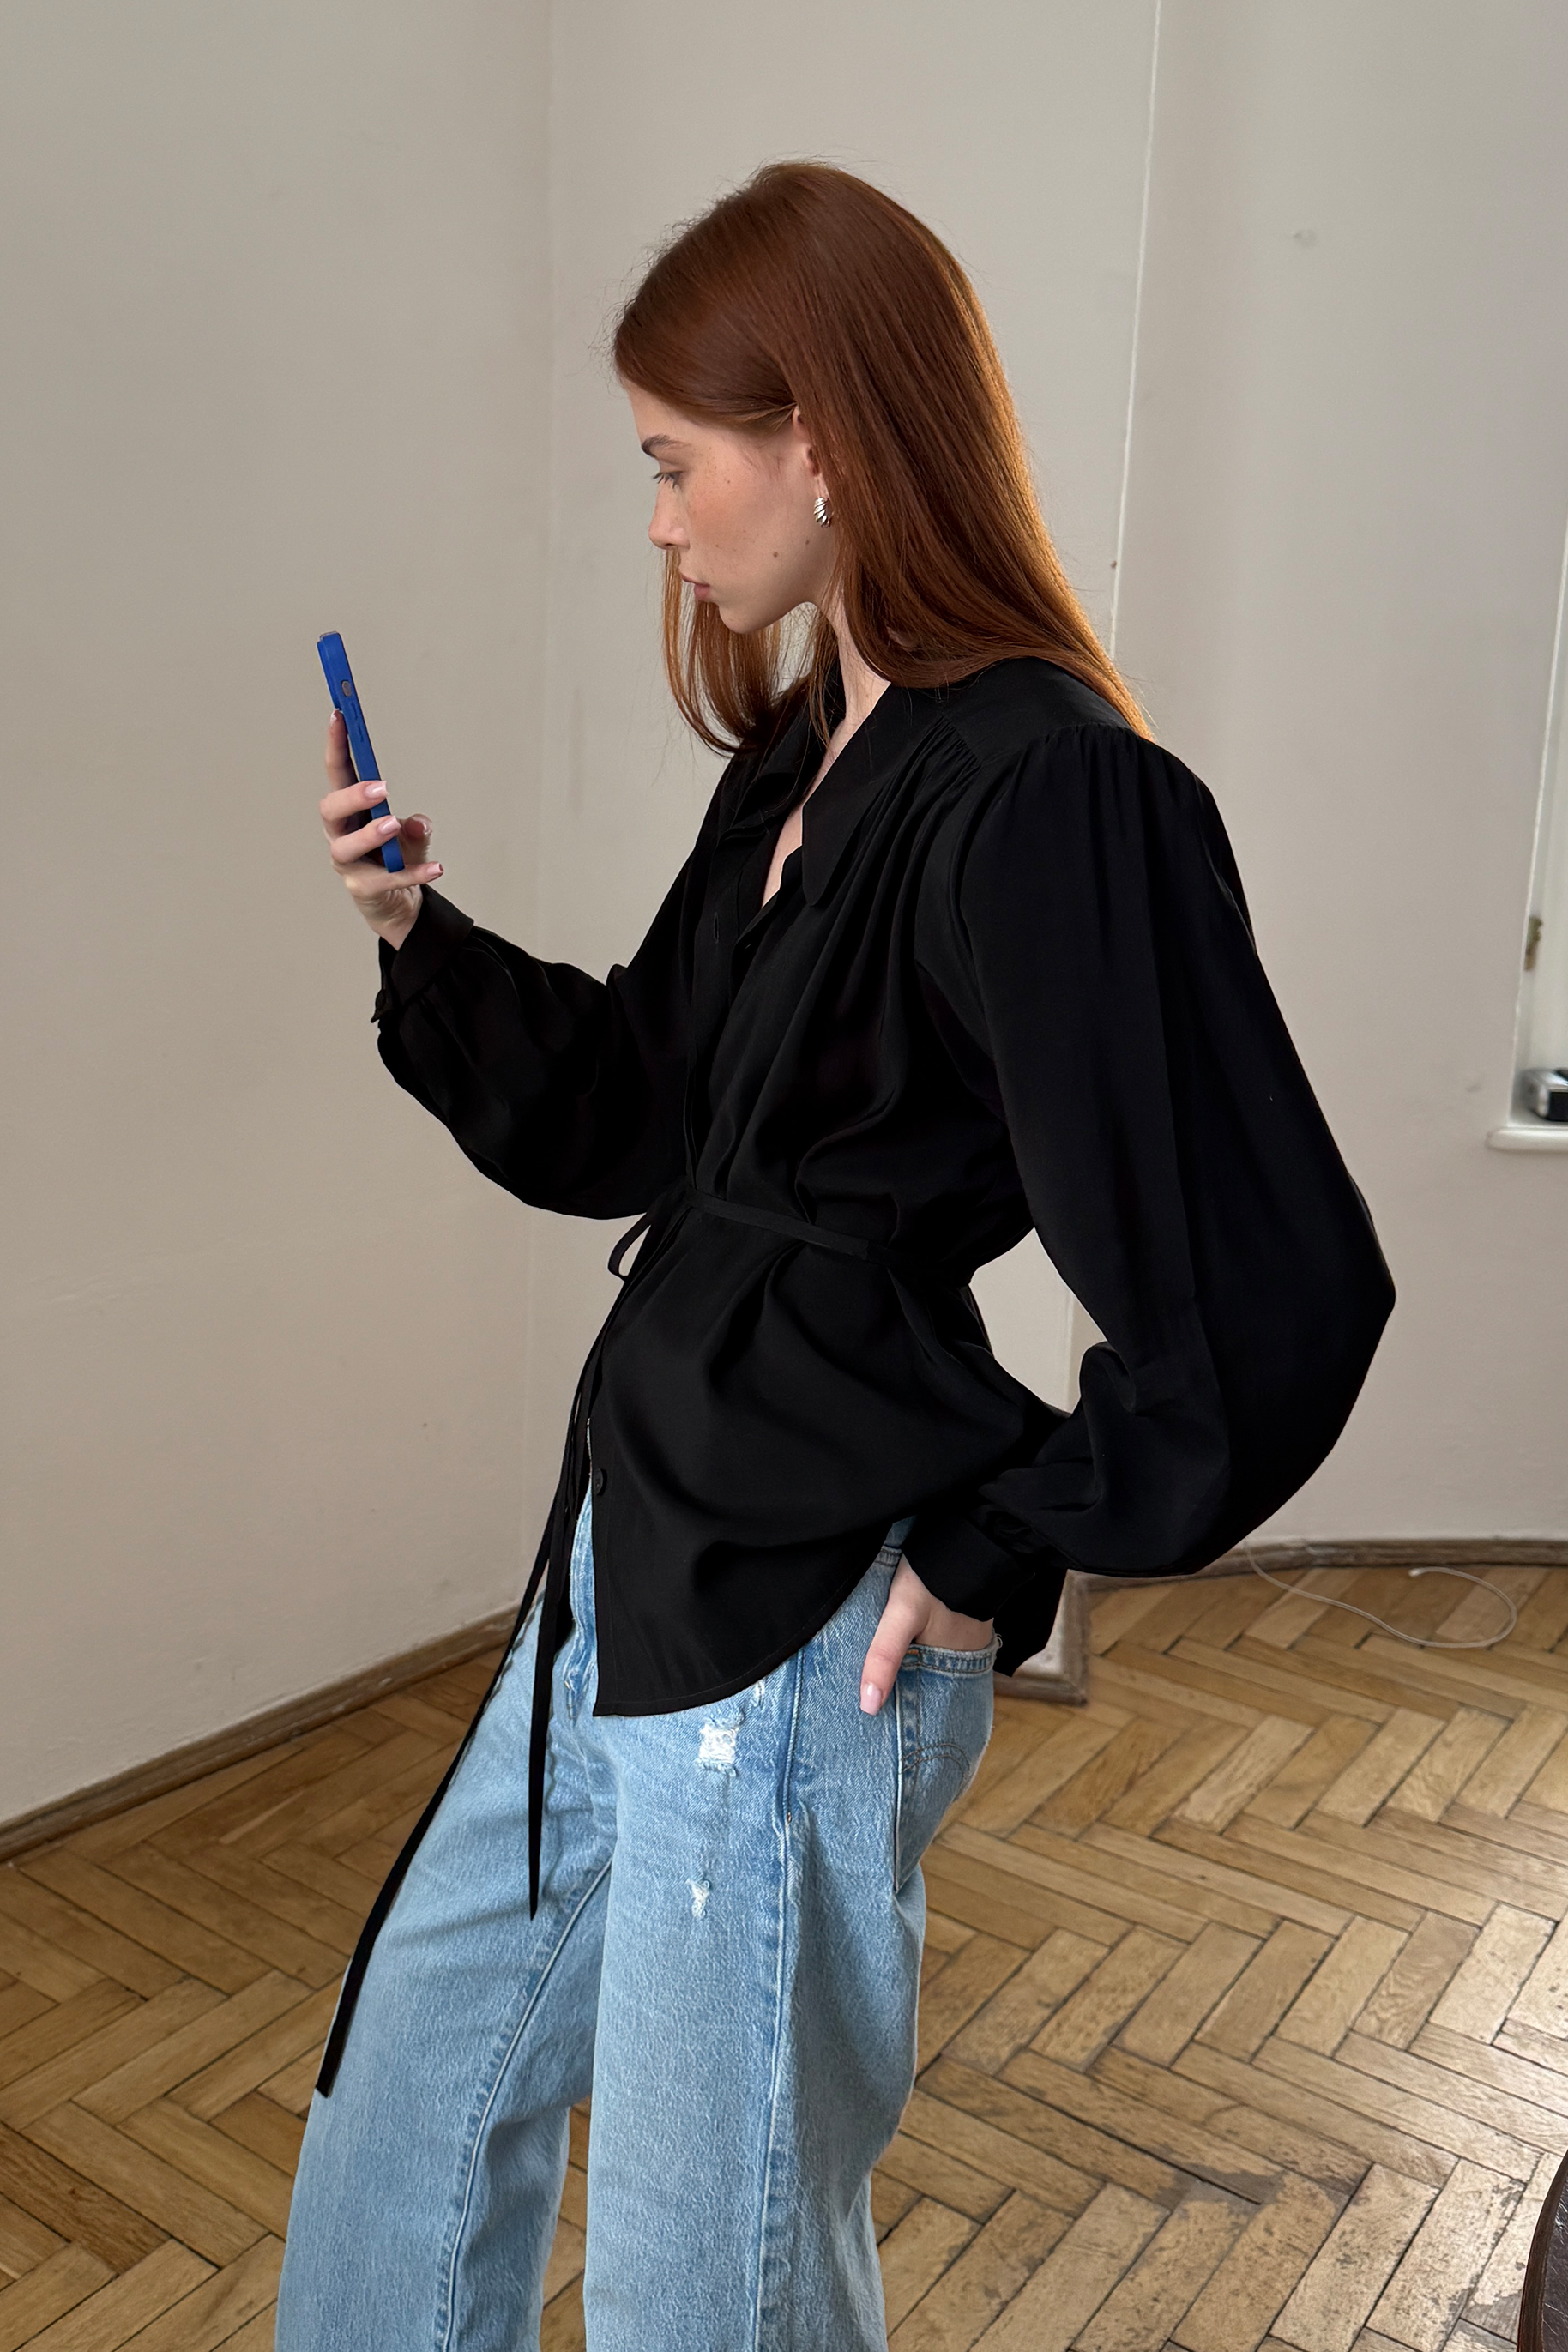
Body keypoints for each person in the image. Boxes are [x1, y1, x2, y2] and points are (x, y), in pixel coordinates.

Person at [274, 160, 1394, 2352]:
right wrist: (415, 926)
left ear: (825, 440)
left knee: (710, 2282)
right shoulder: (811, 747)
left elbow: (1268, 1292)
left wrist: (996, 1550)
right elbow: (643, 1111)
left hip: (804, 1630)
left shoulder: (1050, 794)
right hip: (633, 1546)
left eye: (671, 464)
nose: (660, 525)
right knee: (407, 2105)